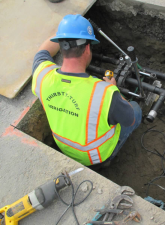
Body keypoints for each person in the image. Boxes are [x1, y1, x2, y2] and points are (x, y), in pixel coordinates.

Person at [32, 14, 142, 167]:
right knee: (136, 110)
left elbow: (42, 52)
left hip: (64, 149)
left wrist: (65, 32)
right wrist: (114, 88)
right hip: (96, 158)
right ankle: (107, 162)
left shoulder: (42, 75)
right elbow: (131, 120)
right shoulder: (105, 93)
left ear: (60, 44)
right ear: (88, 48)